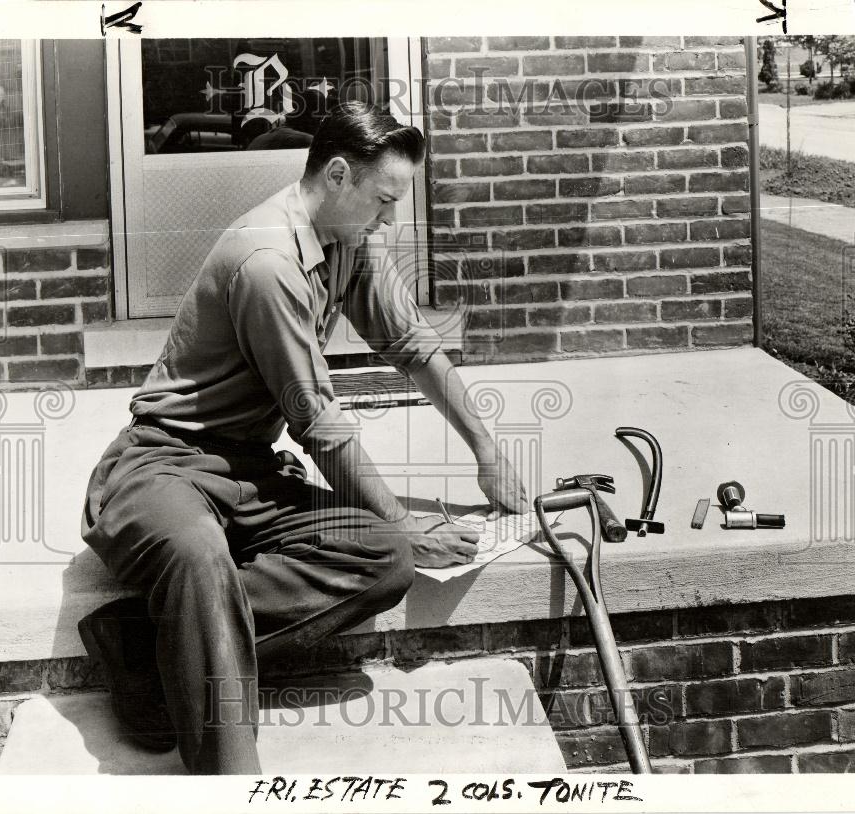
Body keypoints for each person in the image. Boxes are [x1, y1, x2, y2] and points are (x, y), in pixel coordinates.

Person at [78, 101, 528, 775]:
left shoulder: (347, 239)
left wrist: (486, 451)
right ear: (339, 175)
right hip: (162, 467)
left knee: (382, 557)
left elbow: (411, 345)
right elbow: (316, 420)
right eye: (384, 200)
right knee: (203, 557)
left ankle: (143, 645)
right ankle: (234, 782)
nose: (389, 218)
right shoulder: (268, 260)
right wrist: (407, 518)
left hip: (251, 472)